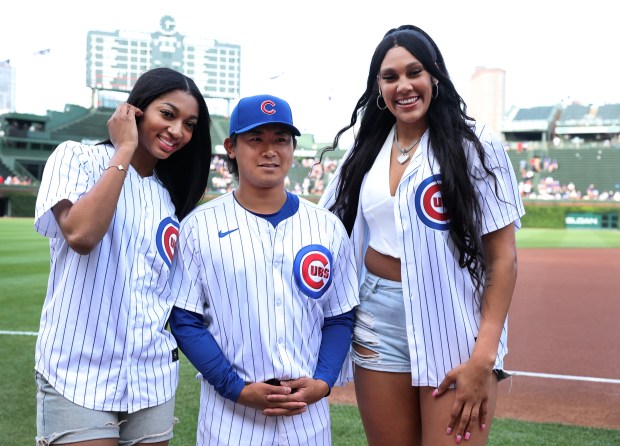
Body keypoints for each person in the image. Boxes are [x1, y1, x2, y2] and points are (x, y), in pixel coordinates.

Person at [318, 25, 525, 445]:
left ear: (434, 76)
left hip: (451, 320)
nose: (403, 86)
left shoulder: (476, 145)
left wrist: (483, 358)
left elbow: (503, 258)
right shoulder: (366, 148)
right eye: (390, 76)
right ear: (378, 87)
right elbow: (324, 226)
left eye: (414, 72)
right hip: (377, 318)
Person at [33, 67, 212, 446]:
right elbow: (81, 234)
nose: (178, 131)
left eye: (189, 123)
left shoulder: (169, 195)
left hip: (150, 378)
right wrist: (125, 149)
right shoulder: (77, 157)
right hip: (76, 373)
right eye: (168, 114)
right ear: (135, 110)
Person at [168, 94, 359, 446]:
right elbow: (185, 319)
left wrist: (323, 381)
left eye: (280, 140)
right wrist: (235, 388)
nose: (269, 150)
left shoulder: (327, 227)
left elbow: (340, 315)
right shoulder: (199, 226)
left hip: (307, 417)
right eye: (256, 139)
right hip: (230, 418)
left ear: (292, 147)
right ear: (231, 146)